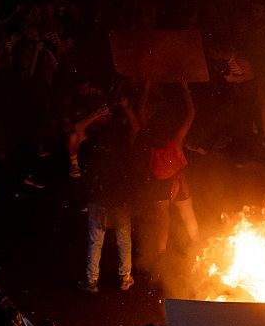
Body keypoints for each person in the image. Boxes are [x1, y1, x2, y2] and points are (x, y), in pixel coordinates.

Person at [78, 93, 140, 293]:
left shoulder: (94, 144)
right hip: (119, 198)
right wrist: (127, 107)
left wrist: (95, 114)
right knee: (123, 239)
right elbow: (136, 128)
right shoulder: (123, 144)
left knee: (96, 240)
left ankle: (91, 281)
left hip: (100, 197)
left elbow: (77, 130)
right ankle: (125, 278)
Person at [142, 80, 199, 257]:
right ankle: (192, 249)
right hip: (170, 182)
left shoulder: (154, 137)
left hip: (168, 182)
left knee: (166, 221)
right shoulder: (174, 141)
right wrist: (185, 89)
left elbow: (141, 113)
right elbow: (191, 114)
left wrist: (146, 89)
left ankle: (190, 250)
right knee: (182, 216)